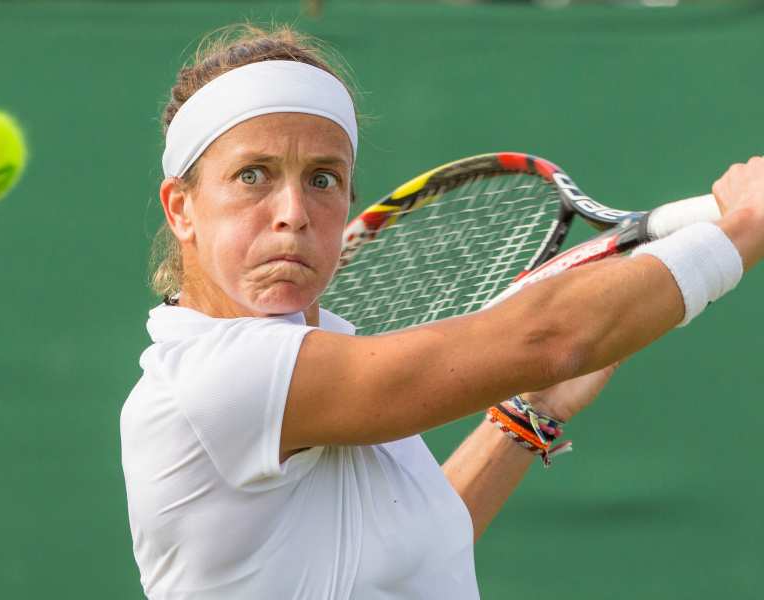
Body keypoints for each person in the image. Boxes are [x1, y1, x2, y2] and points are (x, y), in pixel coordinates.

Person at [120, 24, 764, 600]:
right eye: (253, 176)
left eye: (322, 179)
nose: (293, 211)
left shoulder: (323, 367)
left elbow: (404, 555)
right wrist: (744, 229)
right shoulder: (212, 379)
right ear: (181, 208)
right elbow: (550, 338)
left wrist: (528, 416)